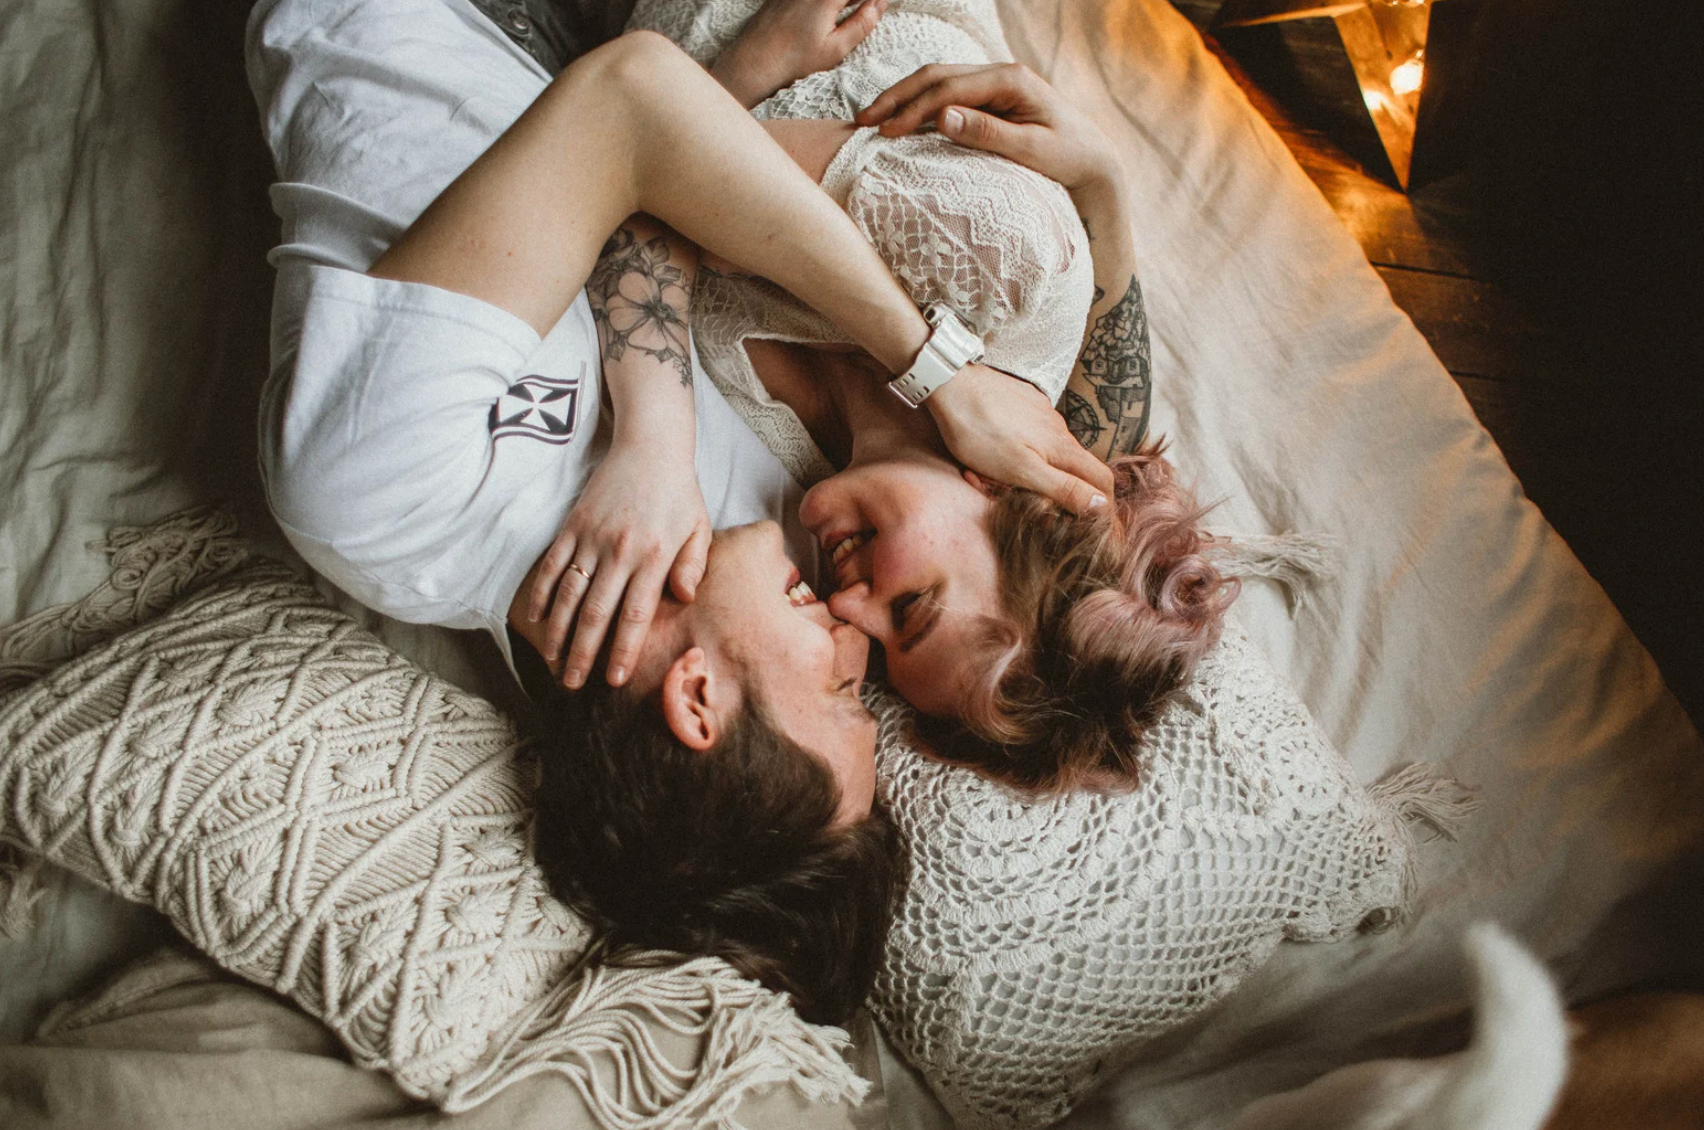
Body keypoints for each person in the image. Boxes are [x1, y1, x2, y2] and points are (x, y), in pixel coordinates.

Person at [245, 0, 1105, 1021]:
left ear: (697, 700)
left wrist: (656, 437)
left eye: (840, 694)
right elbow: (662, 194)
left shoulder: (384, 504)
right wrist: (1102, 187)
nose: (852, 637)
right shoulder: (759, 542)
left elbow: (629, 107)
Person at [575, 0, 1243, 791]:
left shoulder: (797, 484)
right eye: (913, 608)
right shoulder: (1006, 263)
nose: (848, 614)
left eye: (884, 653)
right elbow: (652, 143)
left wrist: (1104, 184)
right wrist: (935, 369)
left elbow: (615, 193)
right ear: (1010, 491)